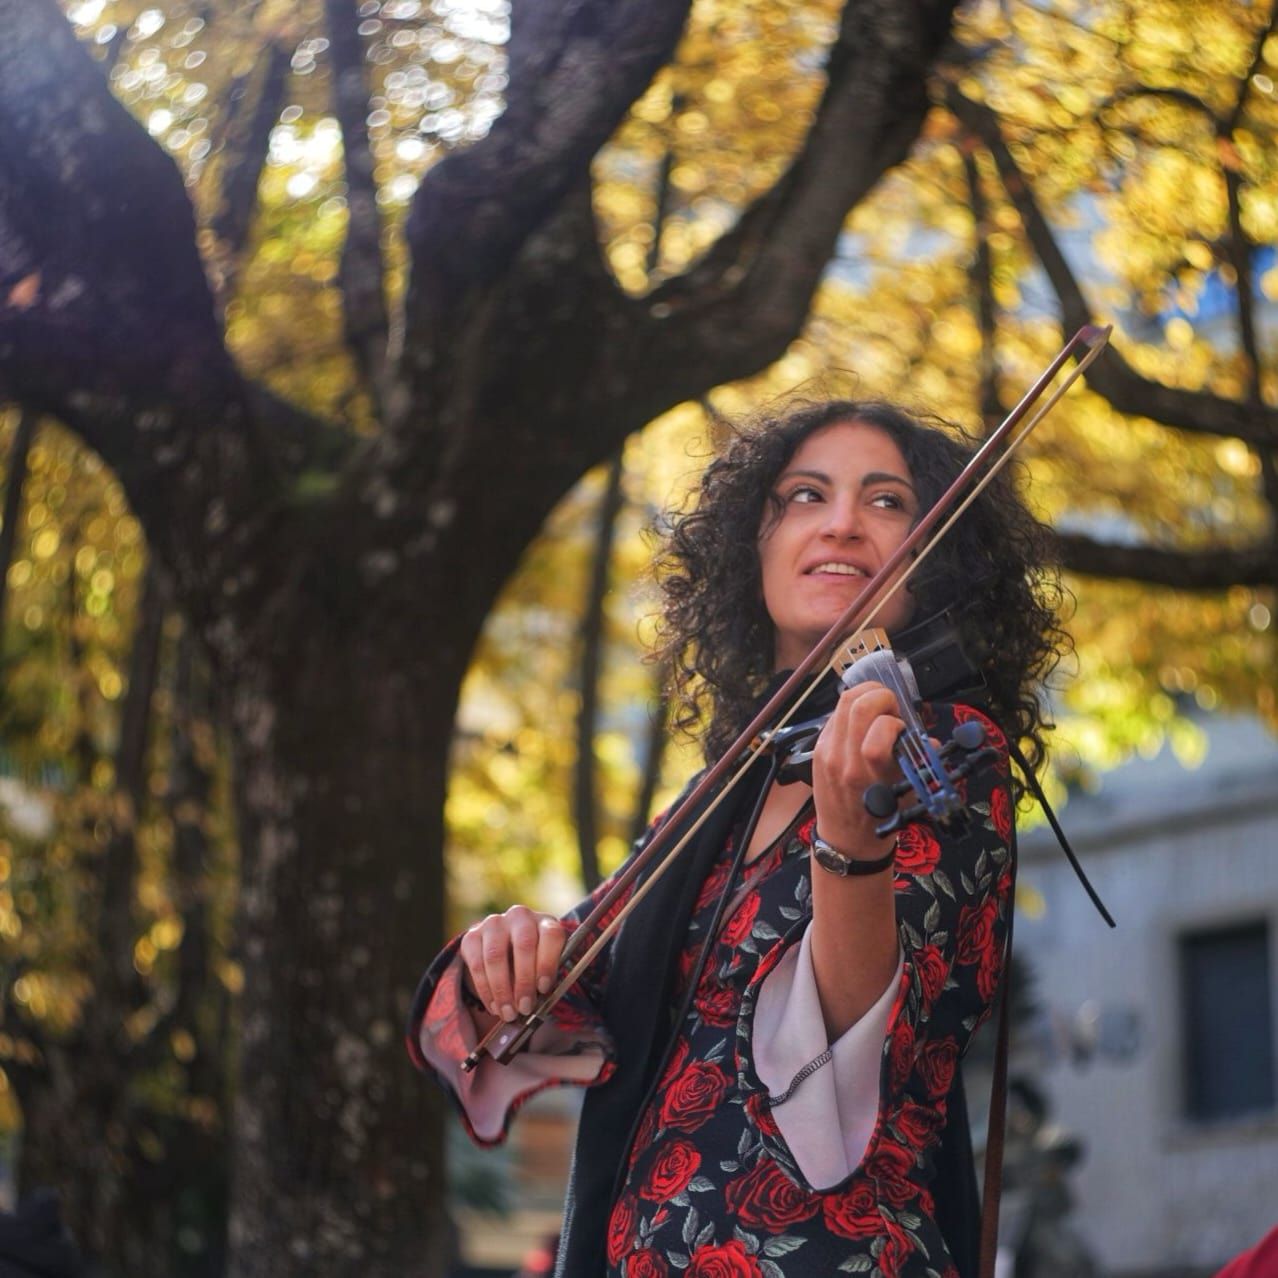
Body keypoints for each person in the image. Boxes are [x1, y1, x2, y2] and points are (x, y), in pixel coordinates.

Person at [407, 400, 1066, 1278]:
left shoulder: (948, 750)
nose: (842, 522)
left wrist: (849, 846)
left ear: (934, 559)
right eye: (805, 496)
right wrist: (505, 960)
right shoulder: (710, 803)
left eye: (886, 501)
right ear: (751, 552)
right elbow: (557, 1010)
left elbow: (845, 1060)